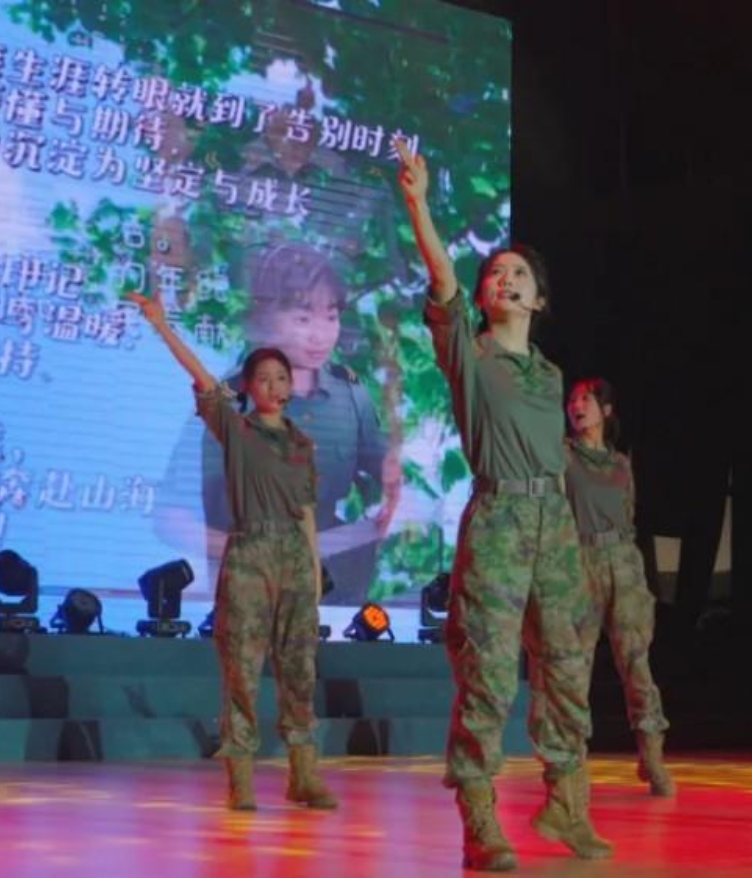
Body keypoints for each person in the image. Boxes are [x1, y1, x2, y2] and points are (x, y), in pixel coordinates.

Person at [395, 138, 610, 871]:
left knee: (568, 666)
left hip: (557, 526)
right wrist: (420, 205)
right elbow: (442, 280)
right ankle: (479, 819)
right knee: (487, 671)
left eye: (519, 274)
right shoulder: (470, 352)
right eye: (496, 273)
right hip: (500, 521)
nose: (505, 279)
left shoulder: (551, 374)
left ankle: (567, 803)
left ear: (539, 299)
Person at [130, 290, 336, 813]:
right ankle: (240, 776)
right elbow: (201, 378)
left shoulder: (303, 445)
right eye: (263, 378)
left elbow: (307, 513)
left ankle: (303, 774)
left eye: (281, 378)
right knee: (242, 668)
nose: (274, 386)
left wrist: (314, 572)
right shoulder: (236, 429)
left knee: (299, 670)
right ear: (248, 386)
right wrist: (162, 324)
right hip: (249, 555)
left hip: (294, 558)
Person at [156, 242, 400, 608]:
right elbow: (170, 519)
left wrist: (395, 493)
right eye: (303, 319)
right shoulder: (232, 399)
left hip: (338, 597)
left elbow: (390, 474)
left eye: (331, 317)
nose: (320, 334)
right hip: (253, 598)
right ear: (265, 318)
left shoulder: (350, 393)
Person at [564, 377, 675, 797]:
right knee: (574, 666)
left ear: (606, 411)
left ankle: (652, 755)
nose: (577, 405)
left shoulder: (622, 464)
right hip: (580, 561)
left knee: (636, 662)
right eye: (573, 399)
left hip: (624, 563)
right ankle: (572, 760)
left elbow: (628, 513)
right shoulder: (562, 456)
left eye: (586, 399)